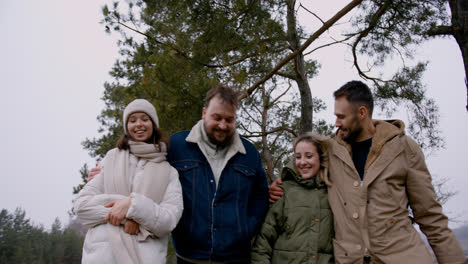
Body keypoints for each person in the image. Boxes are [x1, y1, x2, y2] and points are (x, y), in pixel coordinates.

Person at [269, 81, 465, 264]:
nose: (336, 123)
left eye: (341, 116)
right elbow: (301, 166)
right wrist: (281, 184)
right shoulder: (329, 151)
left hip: (404, 256)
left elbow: (430, 216)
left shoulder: (404, 148)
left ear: (362, 113)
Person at [168, 84, 269, 263]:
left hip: (236, 259)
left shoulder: (250, 153)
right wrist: (105, 171)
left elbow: (260, 197)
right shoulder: (176, 146)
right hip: (188, 257)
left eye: (229, 120)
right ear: (204, 113)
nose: (223, 125)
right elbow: (146, 171)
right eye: (217, 118)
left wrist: (246, 229)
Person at [74, 99, 183, 264]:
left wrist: (134, 206)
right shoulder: (110, 160)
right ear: (127, 127)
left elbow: (168, 220)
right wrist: (127, 214)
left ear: (153, 124)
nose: (139, 124)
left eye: (145, 119)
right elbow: (82, 207)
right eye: (132, 120)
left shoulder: (169, 172)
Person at [251, 132, 334, 264]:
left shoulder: (333, 193)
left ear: (321, 158)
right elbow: (262, 243)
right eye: (298, 157)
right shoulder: (284, 192)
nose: (302, 162)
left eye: (309, 156)